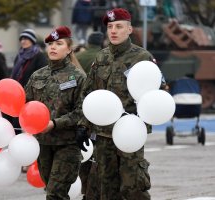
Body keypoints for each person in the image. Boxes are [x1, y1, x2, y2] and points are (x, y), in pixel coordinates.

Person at [76, 8, 156, 199]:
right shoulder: (101, 57)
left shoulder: (142, 58)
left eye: (119, 26)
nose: (113, 30)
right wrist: (82, 126)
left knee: (133, 185)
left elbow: (156, 93)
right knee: (106, 186)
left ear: (129, 29)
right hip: (103, 133)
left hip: (130, 132)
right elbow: (88, 93)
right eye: (110, 27)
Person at [24, 26, 86, 200]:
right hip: (43, 144)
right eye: (50, 44)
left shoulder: (78, 77)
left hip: (67, 144)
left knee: (55, 194)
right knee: (51, 191)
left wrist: (55, 123)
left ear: (69, 49)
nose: (53, 47)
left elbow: (82, 112)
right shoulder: (37, 76)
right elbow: (25, 105)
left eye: (59, 44)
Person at [10, 28, 47, 137]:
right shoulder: (19, 55)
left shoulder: (39, 56)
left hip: (31, 93)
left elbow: (42, 74)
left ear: (32, 40)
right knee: (15, 120)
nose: (23, 41)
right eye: (21, 39)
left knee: (29, 120)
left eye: (26, 39)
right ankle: (16, 140)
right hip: (17, 93)